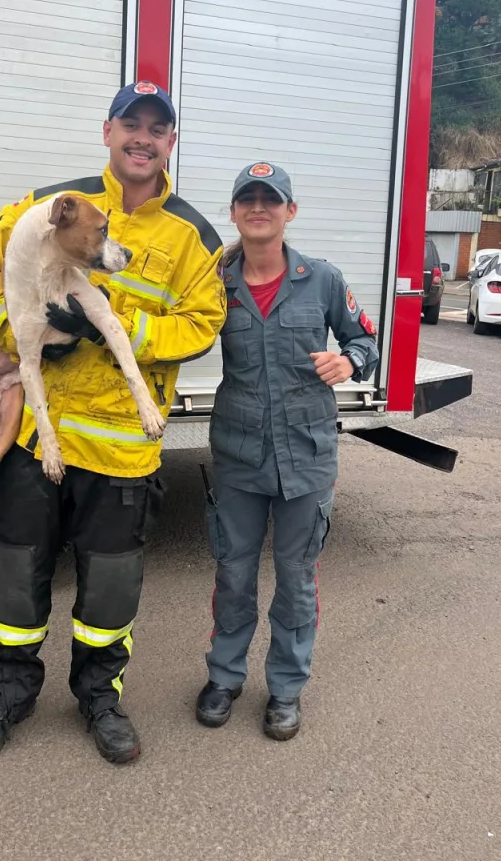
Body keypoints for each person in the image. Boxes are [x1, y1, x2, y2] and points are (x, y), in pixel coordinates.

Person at [0, 81, 226, 765]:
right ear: (107, 132)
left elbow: (203, 323)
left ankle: (100, 700)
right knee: (15, 579)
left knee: (109, 591)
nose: (143, 136)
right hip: (34, 439)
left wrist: (119, 327)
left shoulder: (193, 235)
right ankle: (5, 700)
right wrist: (18, 316)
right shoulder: (55, 202)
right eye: (130, 123)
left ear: (170, 143)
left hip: (123, 452)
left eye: (157, 128)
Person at [195, 162, 378, 740]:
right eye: (247, 199)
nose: (258, 207)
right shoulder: (213, 284)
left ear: (289, 212)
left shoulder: (321, 279)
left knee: (296, 579)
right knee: (233, 574)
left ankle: (285, 690)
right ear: (233, 213)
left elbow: (365, 340)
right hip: (239, 456)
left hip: (308, 453)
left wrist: (349, 362)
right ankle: (224, 678)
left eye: (270, 200)